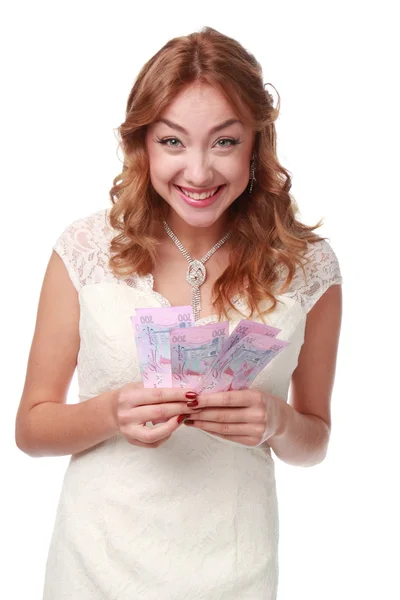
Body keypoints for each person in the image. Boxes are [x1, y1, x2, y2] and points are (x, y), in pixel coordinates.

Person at [15, 26, 343, 600]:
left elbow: (314, 438)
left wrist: (276, 421)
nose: (197, 172)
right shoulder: (86, 249)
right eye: (172, 142)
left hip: (235, 566)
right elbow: (31, 429)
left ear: (256, 145)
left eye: (223, 142)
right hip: (95, 564)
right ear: (142, 144)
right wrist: (111, 412)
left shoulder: (309, 267)